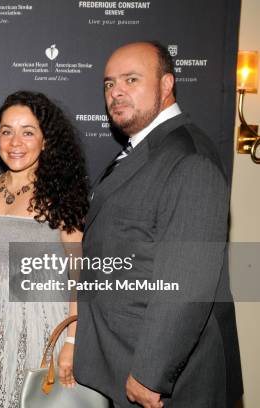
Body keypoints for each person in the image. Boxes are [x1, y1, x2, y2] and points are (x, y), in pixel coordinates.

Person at [73, 41, 243, 407]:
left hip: (164, 382)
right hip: (119, 359)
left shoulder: (188, 158)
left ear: (166, 85)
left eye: (131, 79)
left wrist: (151, 372)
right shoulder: (141, 150)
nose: (116, 91)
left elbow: (187, 282)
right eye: (108, 83)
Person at [0, 91, 90, 407]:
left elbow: (80, 275)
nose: (15, 142)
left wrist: (72, 341)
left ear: (45, 140)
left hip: (40, 329)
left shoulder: (60, 195)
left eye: (28, 132)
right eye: (7, 131)